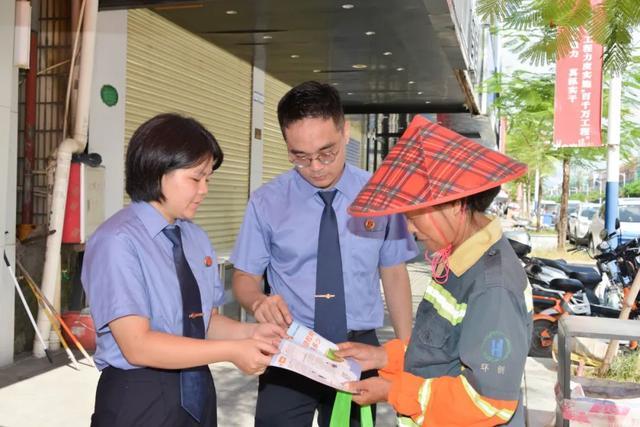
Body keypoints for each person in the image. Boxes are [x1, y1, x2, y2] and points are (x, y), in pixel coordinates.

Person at [230, 81, 419, 426]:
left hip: (357, 352)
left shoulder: (380, 195)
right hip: (290, 348)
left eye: (326, 153)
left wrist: (405, 354)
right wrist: (258, 302)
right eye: (300, 156)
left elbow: (394, 274)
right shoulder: (266, 202)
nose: (315, 166)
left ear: (345, 132)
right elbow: (244, 278)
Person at [82, 113, 285, 427]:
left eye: (208, 179)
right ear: (158, 169)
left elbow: (203, 321)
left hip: (198, 390)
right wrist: (232, 351)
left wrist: (251, 333)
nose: (204, 190)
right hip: (139, 396)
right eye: (196, 178)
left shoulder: (194, 237)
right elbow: (137, 345)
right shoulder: (117, 241)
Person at [336, 114, 533, 426]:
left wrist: (393, 391)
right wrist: (383, 358)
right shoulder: (459, 260)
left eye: (415, 217)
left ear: (454, 204)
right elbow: (442, 351)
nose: (411, 230)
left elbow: (490, 402)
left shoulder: (492, 286)